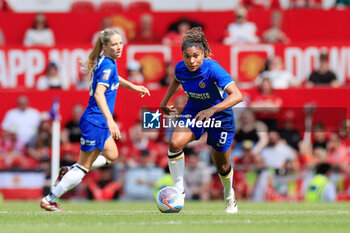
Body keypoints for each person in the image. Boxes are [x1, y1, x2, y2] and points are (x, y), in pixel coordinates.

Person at [40, 28, 150, 211]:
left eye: (120, 43)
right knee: (84, 168)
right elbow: (99, 94)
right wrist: (110, 120)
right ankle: (50, 198)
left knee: (112, 155)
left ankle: (72, 169)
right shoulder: (107, 65)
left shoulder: (107, 62)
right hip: (96, 121)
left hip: (96, 120)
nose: (119, 47)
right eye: (114, 44)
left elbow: (115, 78)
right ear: (105, 46)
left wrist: (134, 86)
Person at [160, 27, 243, 213]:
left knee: (221, 164)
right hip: (195, 112)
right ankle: (179, 191)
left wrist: (212, 110)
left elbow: (237, 95)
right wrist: (165, 102)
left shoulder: (213, 69)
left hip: (220, 117)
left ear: (203, 53)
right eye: (187, 56)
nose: (191, 61)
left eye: (196, 56)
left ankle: (229, 196)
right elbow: (176, 80)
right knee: (175, 143)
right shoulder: (181, 67)